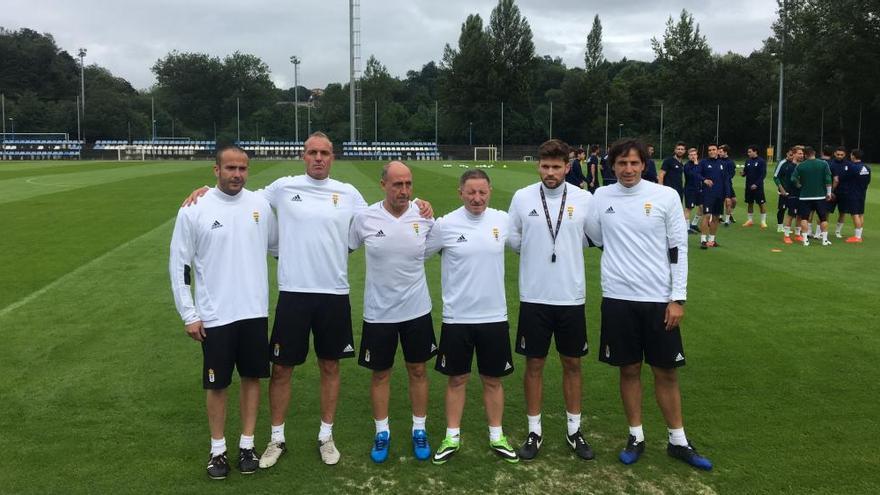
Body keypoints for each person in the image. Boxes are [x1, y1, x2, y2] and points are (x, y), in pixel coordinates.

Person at [182, 132, 433, 468]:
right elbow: (240, 195)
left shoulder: (348, 194)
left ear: (333, 157)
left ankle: (325, 436)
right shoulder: (283, 187)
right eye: (312, 152)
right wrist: (204, 192)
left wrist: (418, 204)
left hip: (334, 294)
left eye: (325, 153)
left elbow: (381, 214)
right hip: (293, 294)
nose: (318, 158)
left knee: (330, 366)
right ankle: (276, 438)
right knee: (282, 368)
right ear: (304, 155)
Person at [585, 138, 712, 471]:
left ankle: (678, 440)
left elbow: (677, 249)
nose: (628, 169)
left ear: (644, 165)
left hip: (658, 300)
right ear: (612, 166)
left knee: (666, 371)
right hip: (617, 298)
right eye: (622, 163)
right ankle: (636, 436)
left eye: (634, 163)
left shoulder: (665, 196)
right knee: (628, 369)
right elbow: (596, 238)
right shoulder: (601, 197)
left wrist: (677, 298)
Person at [169, 146, 279, 479]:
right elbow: (179, 265)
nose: (237, 174)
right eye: (230, 168)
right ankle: (218, 451)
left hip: (253, 311)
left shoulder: (260, 205)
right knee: (217, 385)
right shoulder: (194, 208)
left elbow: (278, 247)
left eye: (242, 168)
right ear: (215, 170)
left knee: (251, 378)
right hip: (215, 315)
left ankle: (247, 445)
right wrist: (189, 314)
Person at [508, 138, 596, 461]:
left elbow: (594, 237)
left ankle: (574, 430)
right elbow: (515, 239)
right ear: (538, 166)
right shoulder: (521, 198)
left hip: (571, 297)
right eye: (545, 166)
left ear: (567, 168)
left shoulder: (585, 199)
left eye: (556, 167)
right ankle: (535, 431)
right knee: (534, 364)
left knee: (572, 364)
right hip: (534, 297)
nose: (550, 172)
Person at [425, 169, 518, 465]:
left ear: (489, 191)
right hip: (457, 318)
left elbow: (526, 245)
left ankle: (496, 436)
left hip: (494, 316)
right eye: (471, 192)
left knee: (493, 379)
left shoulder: (502, 220)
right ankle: (452, 436)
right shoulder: (445, 224)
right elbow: (419, 253)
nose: (477, 198)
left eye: (482, 192)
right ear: (460, 192)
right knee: (457, 379)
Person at [349, 161, 437, 463]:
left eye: (408, 184)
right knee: (380, 374)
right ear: (383, 184)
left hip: (417, 309)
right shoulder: (365, 218)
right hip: (379, 313)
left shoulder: (424, 216)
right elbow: (345, 247)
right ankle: (382, 431)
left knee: (419, 370)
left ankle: (419, 429)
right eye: (397, 184)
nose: (404, 190)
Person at [791, 146, 833, 246]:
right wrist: (828, 193)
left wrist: (798, 185)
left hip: (805, 196)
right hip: (820, 196)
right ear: (814, 152)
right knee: (823, 218)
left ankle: (805, 240)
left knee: (804, 218)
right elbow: (828, 179)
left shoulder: (800, 166)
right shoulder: (823, 164)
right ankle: (824, 240)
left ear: (805, 154)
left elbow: (793, 179)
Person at [697, 144, 729, 248]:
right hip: (707, 194)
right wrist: (704, 180)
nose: (711, 151)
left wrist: (727, 196)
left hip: (719, 195)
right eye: (709, 150)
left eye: (713, 150)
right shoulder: (703, 163)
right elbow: (696, 174)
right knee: (706, 215)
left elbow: (726, 181)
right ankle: (703, 240)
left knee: (716, 217)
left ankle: (712, 240)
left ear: (717, 151)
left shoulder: (722, 164)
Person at [775, 146, 804, 244]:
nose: (801, 155)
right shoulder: (790, 166)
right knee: (791, 214)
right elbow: (791, 180)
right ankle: (786, 235)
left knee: (800, 214)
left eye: (802, 153)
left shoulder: (802, 165)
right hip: (792, 193)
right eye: (799, 153)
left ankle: (797, 234)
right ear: (794, 154)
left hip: (802, 194)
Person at [842, 149, 871, 243]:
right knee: (860, 214)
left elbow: (845, 178)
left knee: (855, 215)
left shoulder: (852, 167)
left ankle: (857, 237)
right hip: (862, 193)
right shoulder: (867, 167)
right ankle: (859, 234)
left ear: (853, 156)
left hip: (853, 193)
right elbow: (868, 181)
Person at [740, 145, 768, 228]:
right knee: (750, 203)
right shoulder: (747, 161)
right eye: (748, 152)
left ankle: (763, 222)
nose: (748, 153)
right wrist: (743, 174)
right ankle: (750, 220)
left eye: (750, 152)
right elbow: (745, 172)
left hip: (758, 186)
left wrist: (756, 184)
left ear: (755, 151)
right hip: (748, 186)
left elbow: (763, 174)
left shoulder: (761, 161)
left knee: (761, 203)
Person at [829, 146, 850, 238]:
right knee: (826, 211)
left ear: (845, 155)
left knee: (842, 212)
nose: (839, 156)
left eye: (841, 155)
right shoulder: (830, 164)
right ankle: (821, 232)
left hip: (844, 192)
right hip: (832, 192)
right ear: (834, 154)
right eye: (838, 154)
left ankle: (838, 232)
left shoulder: (848, 165)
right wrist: (830, 191)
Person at [773, 149, 795, 233]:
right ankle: (780, 226)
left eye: (793, 155)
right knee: (782, 209)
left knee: (792, 210)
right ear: (787, 154)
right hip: (784, 190)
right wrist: (781, 189)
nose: (791, 157)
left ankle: (788, 227)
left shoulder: (795, 164)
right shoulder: (782, 163)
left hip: (793, 191)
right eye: (790, 155)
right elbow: (775, 177)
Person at [659, 142, 686, 206]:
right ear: (675, 150)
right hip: (669, 191)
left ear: (684, 151)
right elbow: (661, 175)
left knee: (677, 210)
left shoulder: (681, 163)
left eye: (682, 149)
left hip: (679, 191)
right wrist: (661, 189)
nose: (680, 151)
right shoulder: (668, 161)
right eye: (678, 149)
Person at [683, 148, 703, 233]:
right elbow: (693, 175)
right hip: (690, 190)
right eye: (691, 155)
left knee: (702, 207)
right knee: (689, 209)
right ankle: (686, 228)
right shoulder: (687, 165)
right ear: (688, 156)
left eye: (694, 155)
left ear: (697, 155)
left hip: (699, 189)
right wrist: (695, 164)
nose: (693, 156)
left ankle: (694, 224)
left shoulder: (700, 164)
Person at [718, 145, 737, 226]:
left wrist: (726, 179)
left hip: (728, 184)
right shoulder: (717, 161)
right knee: (726, 201)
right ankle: (725, 220)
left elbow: (732, 174)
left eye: (721, 151)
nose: (719, 153)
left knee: (734, 201)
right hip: (719, 184)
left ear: (725, 152)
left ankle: (730, 214)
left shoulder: (730, 162)